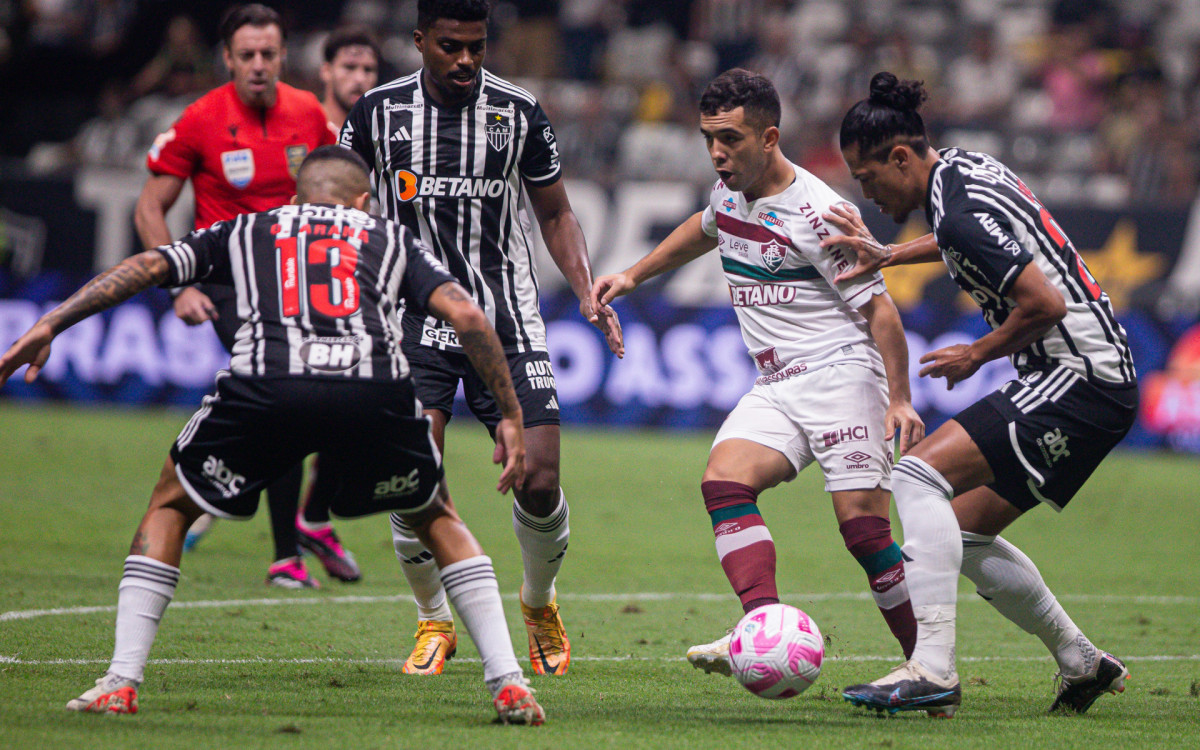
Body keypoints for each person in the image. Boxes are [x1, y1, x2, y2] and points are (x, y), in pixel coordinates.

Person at [0, 146, 546, 725]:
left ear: (295, 197)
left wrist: (49, 322)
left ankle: (120, 680)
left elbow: (147, 267)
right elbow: (467, 317)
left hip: (268, 384)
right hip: (370, 389)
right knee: (437, 516)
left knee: (171, 501)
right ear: (363, 201)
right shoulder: (388, 238)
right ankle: (509, 684)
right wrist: (509, 415)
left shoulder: (248, 229)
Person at [590, 69, 924, 676]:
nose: (717, 152)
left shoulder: (821, 212)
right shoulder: (730, 192)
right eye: (708, 137)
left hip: (843, 377)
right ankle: (761, 627)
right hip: (776, 384)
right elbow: (704, 227)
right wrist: (633, 275)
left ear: (769, 138)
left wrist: (899, 400)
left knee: (864, 533)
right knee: (724, 482)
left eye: (732, 139)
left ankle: (929, 666)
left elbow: (882, 312)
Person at [831, 72, 1136, 717]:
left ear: (901, 157)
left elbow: (1044, 304)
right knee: (960, 531)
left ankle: (932, 669)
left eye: (866, 177)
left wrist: (976, 354)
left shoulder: (958, 210)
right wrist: (889, 254)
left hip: (1079, 377)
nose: (867, 191)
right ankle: (1082, 663)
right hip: (1095, 377)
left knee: (915, 477)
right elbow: (958, 237)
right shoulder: (962, 170)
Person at [339, 0, 623, 677]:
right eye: (450, 46)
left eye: (476, 46)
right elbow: (339, 204)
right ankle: (434, 617)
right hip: (412, 320)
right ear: (419, 42)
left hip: (508, 322)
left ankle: (538, 601)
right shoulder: (376, 115)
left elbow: (554, 210)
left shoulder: (519, 111)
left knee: (540, 476)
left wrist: (584, 286)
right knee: (410, 475)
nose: (465, 59)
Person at [134, 4, 357, 589]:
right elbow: (149, 207)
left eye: (269, 54)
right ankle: (287, 553)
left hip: (301, 282)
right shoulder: (200, 119)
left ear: (283, 57)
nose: (258, 65)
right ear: (228, 59)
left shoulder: (308, 114)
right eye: (247, 55)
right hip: (230, 283)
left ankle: (238, 487)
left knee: (339, 397)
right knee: (283, 393)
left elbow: (347, 188)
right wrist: (178, 284)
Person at [319, 26, 380, 132]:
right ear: (327, 71)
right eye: (349, 67)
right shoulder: (304, 127)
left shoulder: (382, 136)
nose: (360, 79)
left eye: (368, 69)